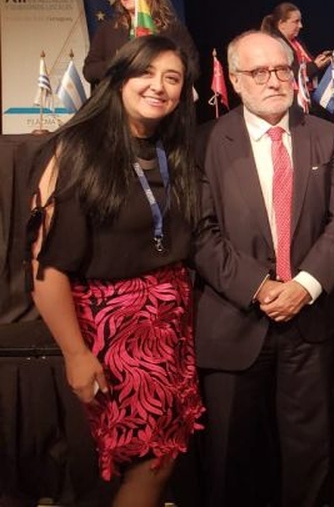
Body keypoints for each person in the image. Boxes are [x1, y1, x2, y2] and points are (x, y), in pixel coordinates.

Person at [29, 35, 203, 506]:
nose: (159, 86)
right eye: (146, 73)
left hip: (170, 327)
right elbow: (46, 268)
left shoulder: (173, 149)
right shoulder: (76, 150)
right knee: (151, 462)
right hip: (115, 329)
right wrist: (75, 353)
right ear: (120, 79)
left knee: (161, 454)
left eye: (172, 78)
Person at [193, 30, 334, 506]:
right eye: (259, 72)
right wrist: (260, 288)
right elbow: (200, 232)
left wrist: (304, 286)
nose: (273, 80)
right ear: (235, 80)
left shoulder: (325, 136)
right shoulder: (206, 141)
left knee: (309, 455)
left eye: (282, 69)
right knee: (232, 457)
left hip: (309, 321)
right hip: (235, 319)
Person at [83, 0, 198, 84]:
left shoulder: (173, 29)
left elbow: (193, 68)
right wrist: (120, 65)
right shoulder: (107, 29)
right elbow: (89, 71)